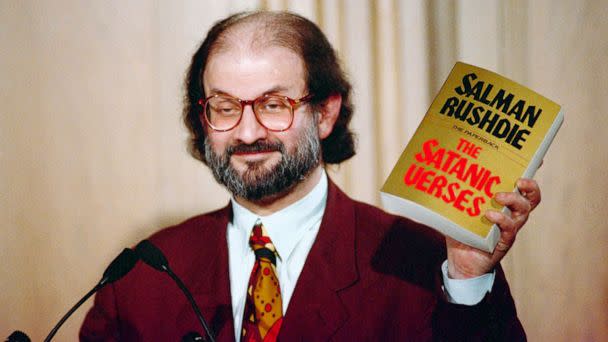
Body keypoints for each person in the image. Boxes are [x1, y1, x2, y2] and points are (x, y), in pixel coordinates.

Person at [80, 11, 539, 341]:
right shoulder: (141, 276)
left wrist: (467, 283)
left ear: (325, 113)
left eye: (273, 105)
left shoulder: (417, 263)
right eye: (224, 107)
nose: (247, 131)